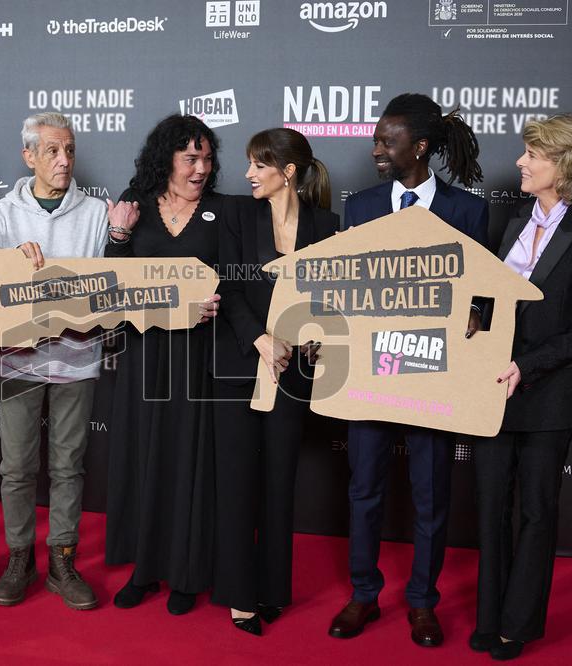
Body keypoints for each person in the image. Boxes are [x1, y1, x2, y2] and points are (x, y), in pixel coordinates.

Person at [329, 93, 488, 647]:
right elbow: (344, 287)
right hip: (370, 375)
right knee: (364, 488)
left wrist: (474, 311)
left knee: (430, 493)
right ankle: (363, 594)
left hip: (434, 376)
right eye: (376, 138)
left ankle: (423, 602)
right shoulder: (361, 206)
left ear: (418, 147)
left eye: (386, 141)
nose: (375, 148)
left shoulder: (468, 211)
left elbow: (485, 298)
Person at [471, 115, 572, 661]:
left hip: (552, 392)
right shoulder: (509, 224)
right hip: (491, 388)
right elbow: (485, 302)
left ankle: (517, 625)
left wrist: (527, 366)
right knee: (490, 507)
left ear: (565, 163)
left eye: (533, 154)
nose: (521, 162)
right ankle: (489, 618)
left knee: (535, 510)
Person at [0, 112, 112, 610]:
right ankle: (20, 558)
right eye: (52, 151)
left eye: (70, 150)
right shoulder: (2, 213)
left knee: (68, 465)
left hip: (76, 357)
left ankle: (62, 558)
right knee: (15, 466)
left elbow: (108, 289)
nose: (64, 160)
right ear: (28, 156)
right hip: (18, 358)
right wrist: (9, 259)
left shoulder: (96, 213)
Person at [212, 128, 338, 635]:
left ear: (287, 171)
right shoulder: (238, 216)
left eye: (259, 166)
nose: (248, 175)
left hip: (293, 375)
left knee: (279, 481)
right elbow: (227, 282)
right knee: (238, 482)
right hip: (243, 367)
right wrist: (259, 340)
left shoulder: (327, 225)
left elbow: (330, 296)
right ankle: (240, 595)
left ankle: (272, 590)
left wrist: (313, 338)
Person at [104, 115, 222, 616]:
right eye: (189, 158)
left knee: (187, 463)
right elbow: (112, 283)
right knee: (144, 457)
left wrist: (220, 301)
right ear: (166, 160)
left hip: (198, 361)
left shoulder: (223, 211)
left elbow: (237, 279)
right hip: (144, 355)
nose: (200, 168)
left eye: (207, 158)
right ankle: (144, 568)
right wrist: (119, 233)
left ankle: (186, 573)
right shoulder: (135, 208)